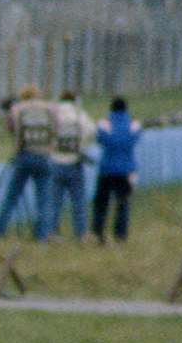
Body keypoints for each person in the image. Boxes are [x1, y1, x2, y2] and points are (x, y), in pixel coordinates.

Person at [0, 85, 58, 240]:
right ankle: (41, 235)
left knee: (11, 196)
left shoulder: (17, 109)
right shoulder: (50, 108)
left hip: (24, 154)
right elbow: (55, 129)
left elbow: (10, 128)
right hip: (44, 154)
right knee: (44, 198)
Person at [92, 97, 143, 242]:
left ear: (111, 108)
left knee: (101, 203)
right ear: (126, 109)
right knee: (123, 203)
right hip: (127, 169)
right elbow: (135, 138)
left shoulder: (104, 123)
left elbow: (100, 139)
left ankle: (98, 233)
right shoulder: (133, 124)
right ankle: (120, 235)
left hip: (107, 168)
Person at [45, 91, 94, 240]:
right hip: (74, 161)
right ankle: (81, 233)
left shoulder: (53, 114)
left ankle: (52, 232)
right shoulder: (79, 114)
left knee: (54, 201)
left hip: (55, 161)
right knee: (78, 200)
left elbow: (46, 133)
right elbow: (91, 129)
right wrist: (82, 142)